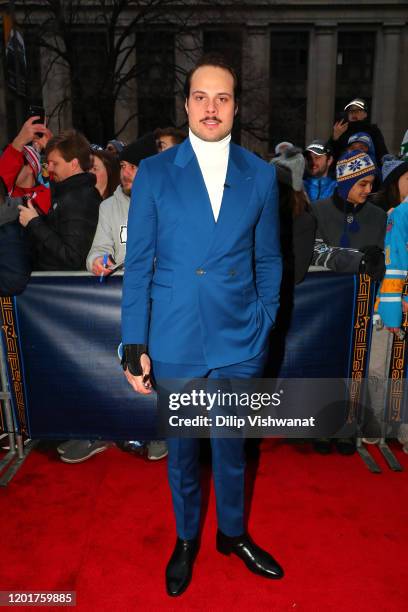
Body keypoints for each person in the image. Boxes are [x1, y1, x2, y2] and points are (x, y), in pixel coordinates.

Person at [121, 54, 283, 597]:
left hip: (239, 339)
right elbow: (139, 263)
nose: (210, 108)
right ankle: (187, 538)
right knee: (184, 451)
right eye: (200, 97)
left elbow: (269, 261)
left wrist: (263, 325)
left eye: (222, 98)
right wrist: (133, 342)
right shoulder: (156, 173)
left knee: (234, 447)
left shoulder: (262, 176)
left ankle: (232, 534)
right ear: (186, 104)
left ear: (236, 107)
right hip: (176, 338)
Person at [312, 150, 387, 455]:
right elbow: (314, 251)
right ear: (346, 181)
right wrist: (356, 259)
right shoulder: (318, 210)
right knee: (325, 363)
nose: (369, 190)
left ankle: (348, 426)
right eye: (362, 183)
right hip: (327, 305)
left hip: (365, 304)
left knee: (356, 364)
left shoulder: (379, 216)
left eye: (371, 183)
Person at [18, 129, 101, 271]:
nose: (49, 168)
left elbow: (73, 257)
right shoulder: (67, 193)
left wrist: (34, 223)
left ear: (74, 164)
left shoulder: (79, 199)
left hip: (64, 288)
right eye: (48, 162)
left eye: (54, 163)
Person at [374, 156, 408, 451]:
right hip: (389, 304)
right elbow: (393, 263)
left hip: (398, 300)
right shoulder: (393, 215)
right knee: (381, 363)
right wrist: (393, 307)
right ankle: (375, 424)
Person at [0, 115, 52, 215]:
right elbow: (4, 172)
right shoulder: (7, 194)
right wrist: (20, 141)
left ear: (29, 168)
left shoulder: (46, 192)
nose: (12, 167)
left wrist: (52, 149)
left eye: (17, 162)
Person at [327, 98, 388, 165]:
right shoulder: (342, 131)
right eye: (351, 111)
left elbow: (382, 153)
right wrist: (334, 138)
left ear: (365, 114)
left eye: (358, 110)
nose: (353, 113)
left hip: (369, 170)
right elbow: (330, 157)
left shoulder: (373, 131)